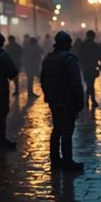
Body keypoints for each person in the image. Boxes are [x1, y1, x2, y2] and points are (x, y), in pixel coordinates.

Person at [40, 31, 85, 171]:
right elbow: (76, 83)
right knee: (67, 130)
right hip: (67, 101)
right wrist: (79, 102)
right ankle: (67, 161)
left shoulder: (48, 58)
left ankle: (55, 159)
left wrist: (49, 95)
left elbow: (42, 80)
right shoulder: (69, 59)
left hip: (54, 100)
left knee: (57, 129)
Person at [79, 30, 101, 109]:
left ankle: (88, 100)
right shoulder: (95, 45)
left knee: (89, 84)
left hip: (85, 67)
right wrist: (98, 66)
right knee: (91, 84)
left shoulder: (82, 45)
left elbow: (80, 56)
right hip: (93, 67)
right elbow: (99, 56)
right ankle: (91, 100)